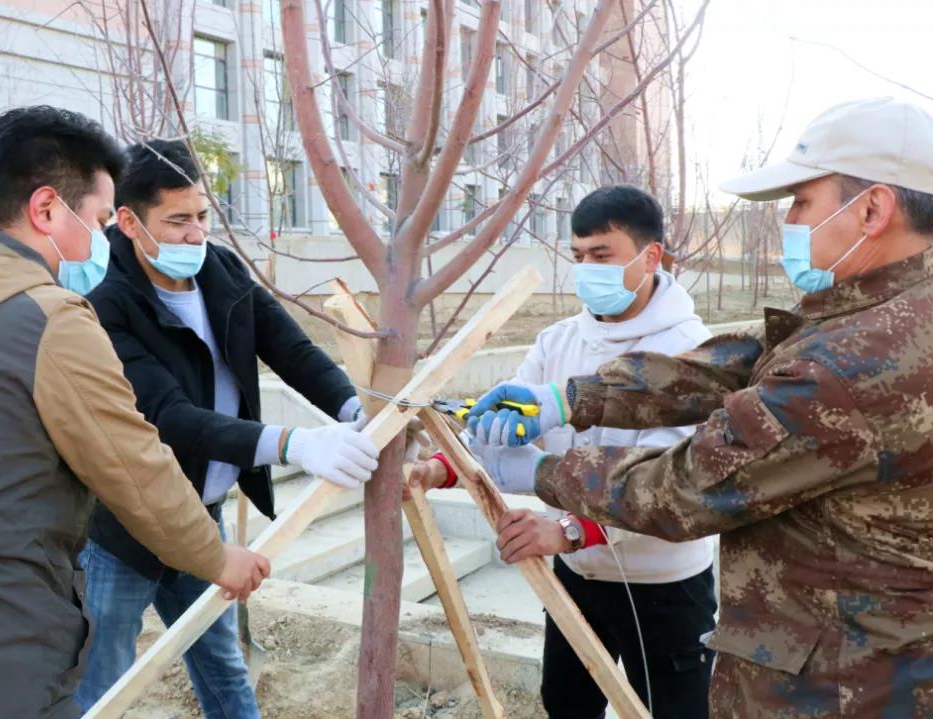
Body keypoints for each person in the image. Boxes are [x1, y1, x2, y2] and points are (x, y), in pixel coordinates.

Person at [467, 97, 933, 716]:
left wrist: (542, 472)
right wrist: (568, 398)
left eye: (801, 201)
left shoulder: (860, 358)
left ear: (872, 209)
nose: (790, 219)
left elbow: (690, 485)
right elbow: (733, 362)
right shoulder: (882, 312)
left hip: (841, 684)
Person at [0, 107, 270, 718]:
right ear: (47, 209)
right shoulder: (49, 321)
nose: (102, 245)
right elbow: (133, 466)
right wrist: (217, 557)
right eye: (99, 222)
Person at [76, 139, 386, 716]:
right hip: (126, 525)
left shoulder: (220, 268)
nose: (196, 235)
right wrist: (292, 444)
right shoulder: (104, 302)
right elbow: (168, 416)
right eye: (177, 222)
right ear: (129, 222)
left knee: (223, 668)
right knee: (103, 686)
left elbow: (291, 349)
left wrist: (354, 410)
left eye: (202, 216)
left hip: (202, 517)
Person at [408, 186, 716, 718]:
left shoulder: (688, 352)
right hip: (578, 575)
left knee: (673, 711)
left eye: (602, 255)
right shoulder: (558, 341)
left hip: (662, 583)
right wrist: (439, 468)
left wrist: (569, 530)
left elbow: (668, 480)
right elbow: (500, 431)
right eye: (578, 255)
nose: (586, 270)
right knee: (567, 703)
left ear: (651, 257)